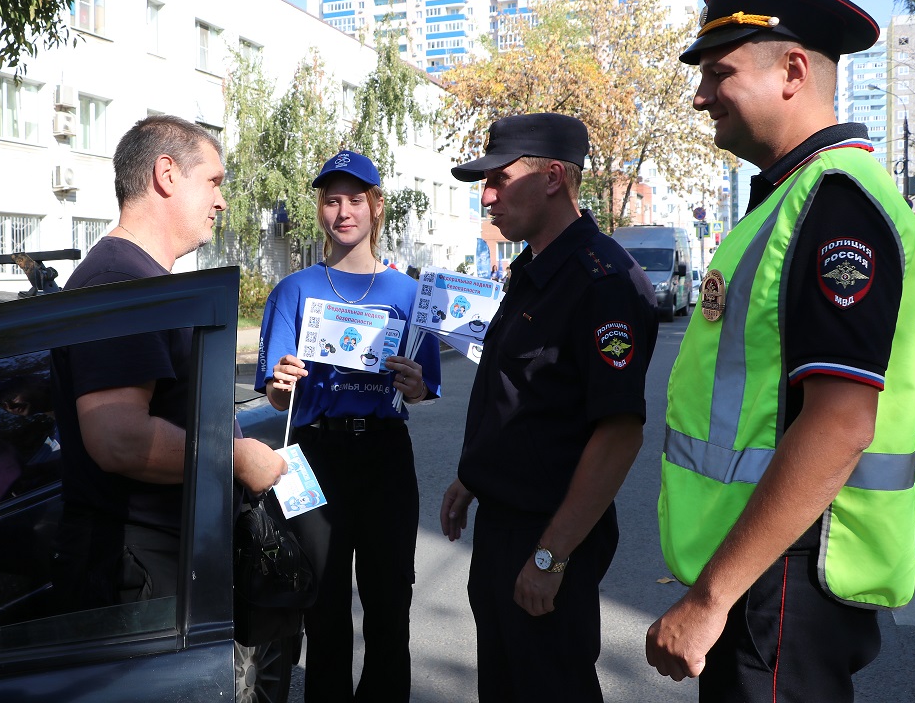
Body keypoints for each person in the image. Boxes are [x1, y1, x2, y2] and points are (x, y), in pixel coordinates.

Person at [645, 0, 915, 702]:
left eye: (718, 72)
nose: (700, 97)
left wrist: (709, 602)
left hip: (786, 582)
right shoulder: (785, 202)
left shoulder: (836, 202)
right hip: (763, 577)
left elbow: (839, 424)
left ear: (793, 72)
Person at [438, 113, 658, 701]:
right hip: (504, 525)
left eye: (500, 180)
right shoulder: (534, 271)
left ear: (554, 177)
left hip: (550, 532)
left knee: (551, 685)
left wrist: (550, 555)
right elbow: (520, 400)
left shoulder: (602, 281)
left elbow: (618, 435)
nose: (486, 196)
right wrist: (472, 474)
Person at [49, 114, 287, 612]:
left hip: (160, 558)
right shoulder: (119, 283)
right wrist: (238, 458)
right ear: (167, 175)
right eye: (214, 181)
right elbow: (119, 438)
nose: (222, 200)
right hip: (134, 571)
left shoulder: (144, 281)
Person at [255, 149, 442, 703]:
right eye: (332, 200)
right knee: (324, 611)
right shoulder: (294, 291)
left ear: (376, 206)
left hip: (384, 456)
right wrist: (280, 381)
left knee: (390, 610)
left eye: (355, 199)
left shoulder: (410, 294)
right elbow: (272, 386)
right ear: (321, 210)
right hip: (313, 459)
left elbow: (427, 385)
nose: (343, 211)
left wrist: (416, 385)